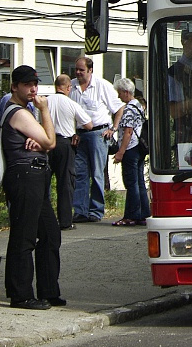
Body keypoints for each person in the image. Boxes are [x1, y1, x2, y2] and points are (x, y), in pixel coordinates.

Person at [1, 65, 63, 310]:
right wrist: (45, 110)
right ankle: (21, 295)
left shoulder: (27, 111)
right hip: (24, 176)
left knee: (50, 233)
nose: (33, 89)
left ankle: (48, 291)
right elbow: (50, 140)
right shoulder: (18, 112)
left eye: (35, 84)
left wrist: (42, 144)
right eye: (27, 84)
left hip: (36, 175)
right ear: (14, 87)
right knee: (24, 236)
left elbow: (46, 144)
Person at [70, 56, 123, 223]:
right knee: (80, 173)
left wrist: (113, 129)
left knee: (97, 173)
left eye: (81, 70)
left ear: (90, 70)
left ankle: (96, 210)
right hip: (79, 134)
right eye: (76, 70)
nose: (78, 73)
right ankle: (80, 210)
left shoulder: (102, 85)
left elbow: (119, 107)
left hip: (98, 134)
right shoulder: (71, 86)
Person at [48, 74, 92, 230]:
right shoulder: (71, 103)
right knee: (65, 183)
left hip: (46, 142)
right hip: (65, 145)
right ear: (67, 88)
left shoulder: (46, 101)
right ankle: (65, 221)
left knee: (44, 183)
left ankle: (44, 220)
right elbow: (89, 124)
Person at [110, 77, 150, 226]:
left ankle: (131, 215)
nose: (118, 96)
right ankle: (143, 214)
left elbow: (128, 132)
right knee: (139, 181)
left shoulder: (128, 109)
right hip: (139, 148)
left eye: (120, 92)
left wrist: (121, 151)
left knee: (131, 182)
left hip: (131, 148)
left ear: (126, 92)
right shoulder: (139, 106)